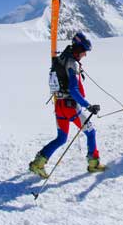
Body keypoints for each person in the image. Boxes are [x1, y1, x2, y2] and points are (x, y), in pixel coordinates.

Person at [29, 32, 105, 178]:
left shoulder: (61, 59)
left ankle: (38, 163)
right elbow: (73, 89)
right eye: (84, 51)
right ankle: (93, 163)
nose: (85, 55)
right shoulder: (72, 63)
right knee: (91, 132)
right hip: (71, 107)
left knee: (61, 138)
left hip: (59, 106)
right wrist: (88, 105)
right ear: (79, 48)